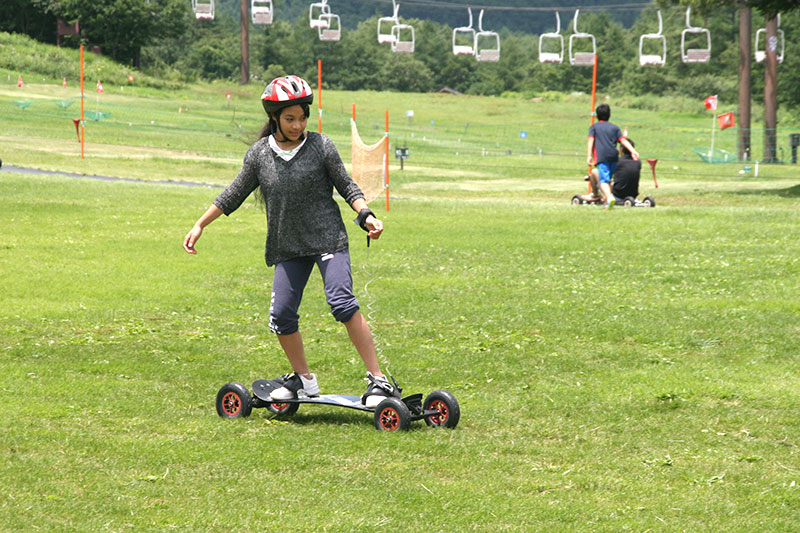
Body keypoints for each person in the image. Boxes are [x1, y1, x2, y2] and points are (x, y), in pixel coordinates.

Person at [183, 75, 397, 408]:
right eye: (290, 119)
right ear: (275, 118)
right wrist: (200, 224)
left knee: (342, 303)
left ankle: (378, 380)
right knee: (282, 316)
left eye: (302, 117)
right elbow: (233, 194)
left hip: (328, 239)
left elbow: (347, 185)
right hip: (288, 246)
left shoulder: (321, 146)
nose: (298, 125)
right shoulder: (259, 155)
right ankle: (304, 380)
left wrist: (366, 215)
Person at [585, 104, 639, 209]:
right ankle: (607, 203)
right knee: (608, 180)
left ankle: (609, 197)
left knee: (603, 181)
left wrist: (589, 155)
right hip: (614, 157)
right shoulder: (615, 128)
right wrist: (633, 151)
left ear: (597, 116)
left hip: (602, 156)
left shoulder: (594, 127)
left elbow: (591, 140)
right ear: (609, 115)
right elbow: (623, 140)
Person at [584, 138, 642, 202]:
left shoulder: (618, 161)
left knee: (594, 172)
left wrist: (590, 177)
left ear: (621, 149)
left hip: (617, 194)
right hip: (633, 194)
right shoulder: (638, 162)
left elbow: (606, 174)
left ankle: (595, 196)